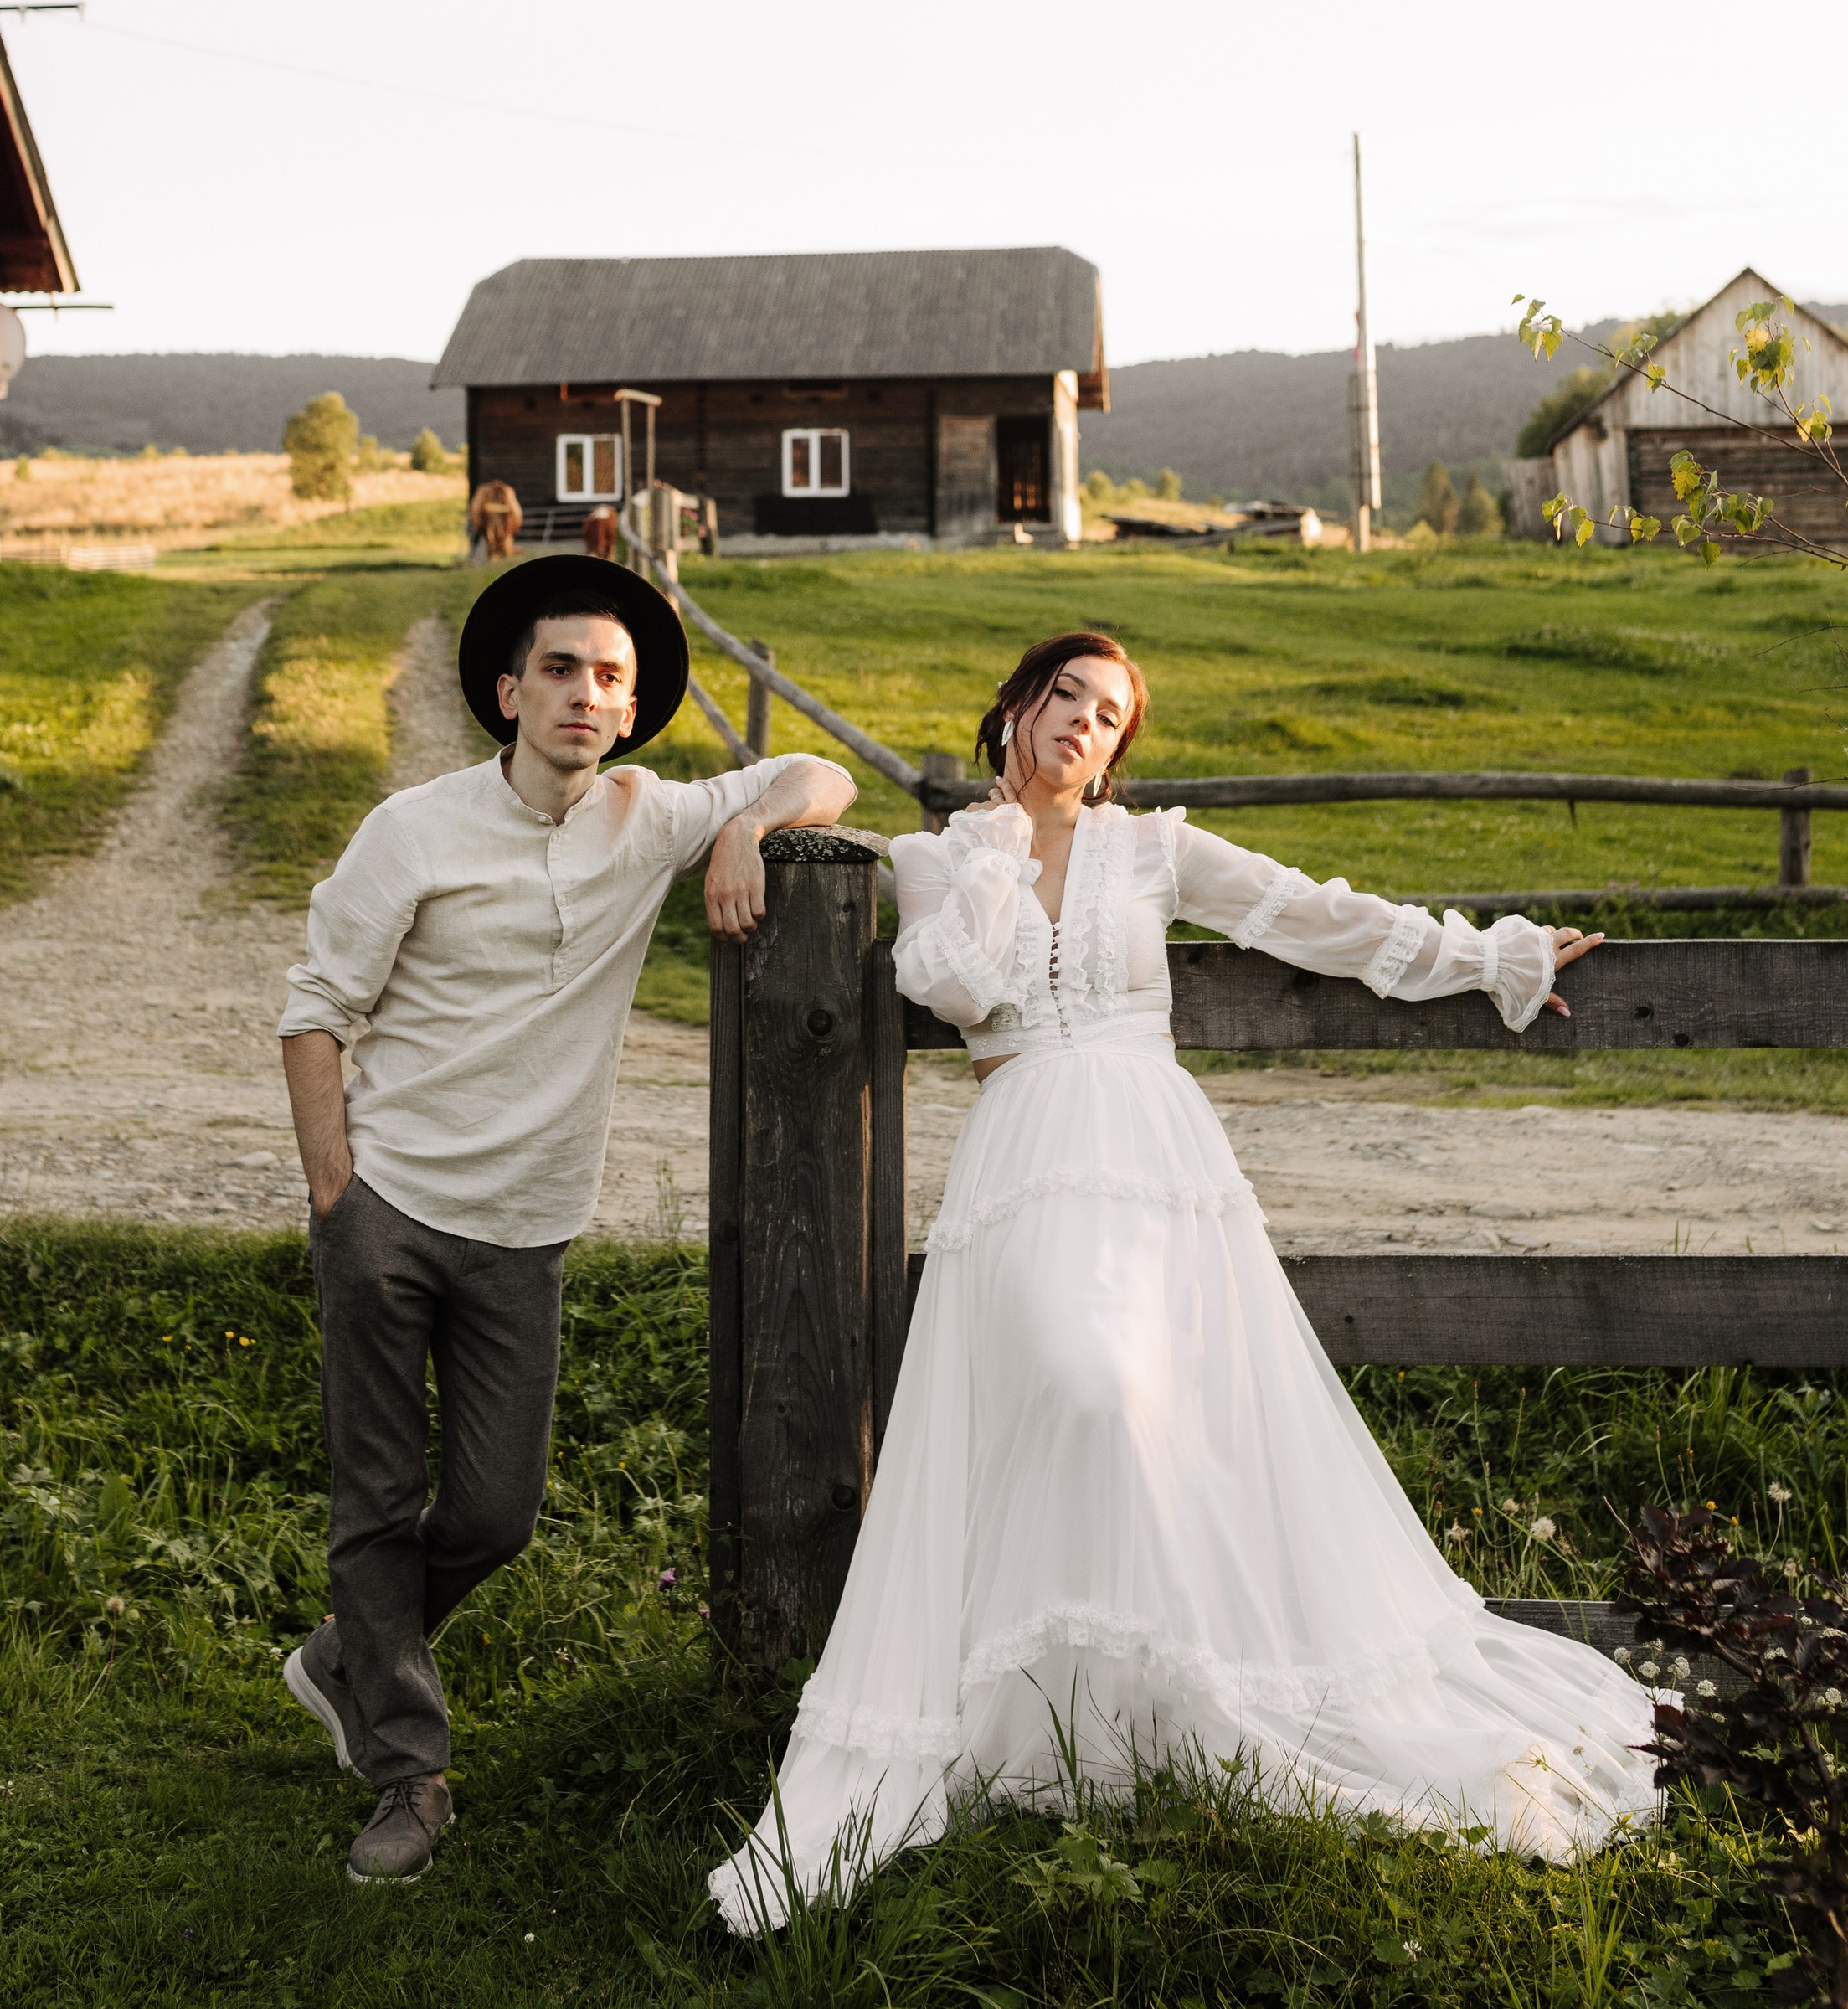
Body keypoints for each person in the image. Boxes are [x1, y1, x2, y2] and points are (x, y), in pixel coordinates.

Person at [708, 628, 1656, 1932]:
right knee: (1075, 1390)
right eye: (1067, 700)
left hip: (1153, 1154)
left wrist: (1490, 958)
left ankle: (1154, 1705)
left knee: (1148, 1408)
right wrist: (987, 862)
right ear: (1018, 707)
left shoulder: (1153, 850)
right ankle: (1056, 1709)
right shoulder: (936, 858)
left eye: (1109, 717)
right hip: (1027, 1147)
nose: (1084, 727)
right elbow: (951, 985)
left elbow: (1316, 914)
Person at [278, 557, 853, 1884]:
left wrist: (744, 832)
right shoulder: (412, 829)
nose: (586, 694)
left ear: (631, 708)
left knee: (495, 1512)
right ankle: (409, 1776)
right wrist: (336, 1198)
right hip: (391, 1211)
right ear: (507, 690)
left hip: (527, 1229)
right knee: (377, 1501)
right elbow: (316, 1010)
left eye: (611, 678)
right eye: (560, 669)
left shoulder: (647, 817)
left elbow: (820, 775)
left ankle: (344, 1657)